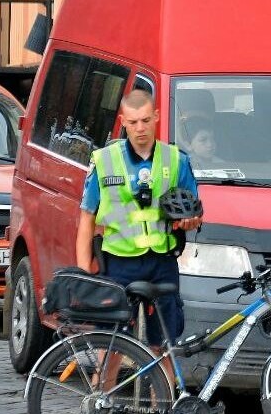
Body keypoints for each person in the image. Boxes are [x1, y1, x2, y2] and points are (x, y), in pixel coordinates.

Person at [75, 90, 201, 353]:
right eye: (133, 122)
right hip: (119, 262)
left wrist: (191, 221)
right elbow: (86, 218)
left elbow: (194, 212)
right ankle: (102, 395)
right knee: (111, 347)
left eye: (145, 120)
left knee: (164, 347)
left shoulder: (176, 160)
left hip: (162, 262)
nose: (140, 128)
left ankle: (163, 396)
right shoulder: (104, 160)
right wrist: (84, 271)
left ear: (156, 117)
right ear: (122, 121)